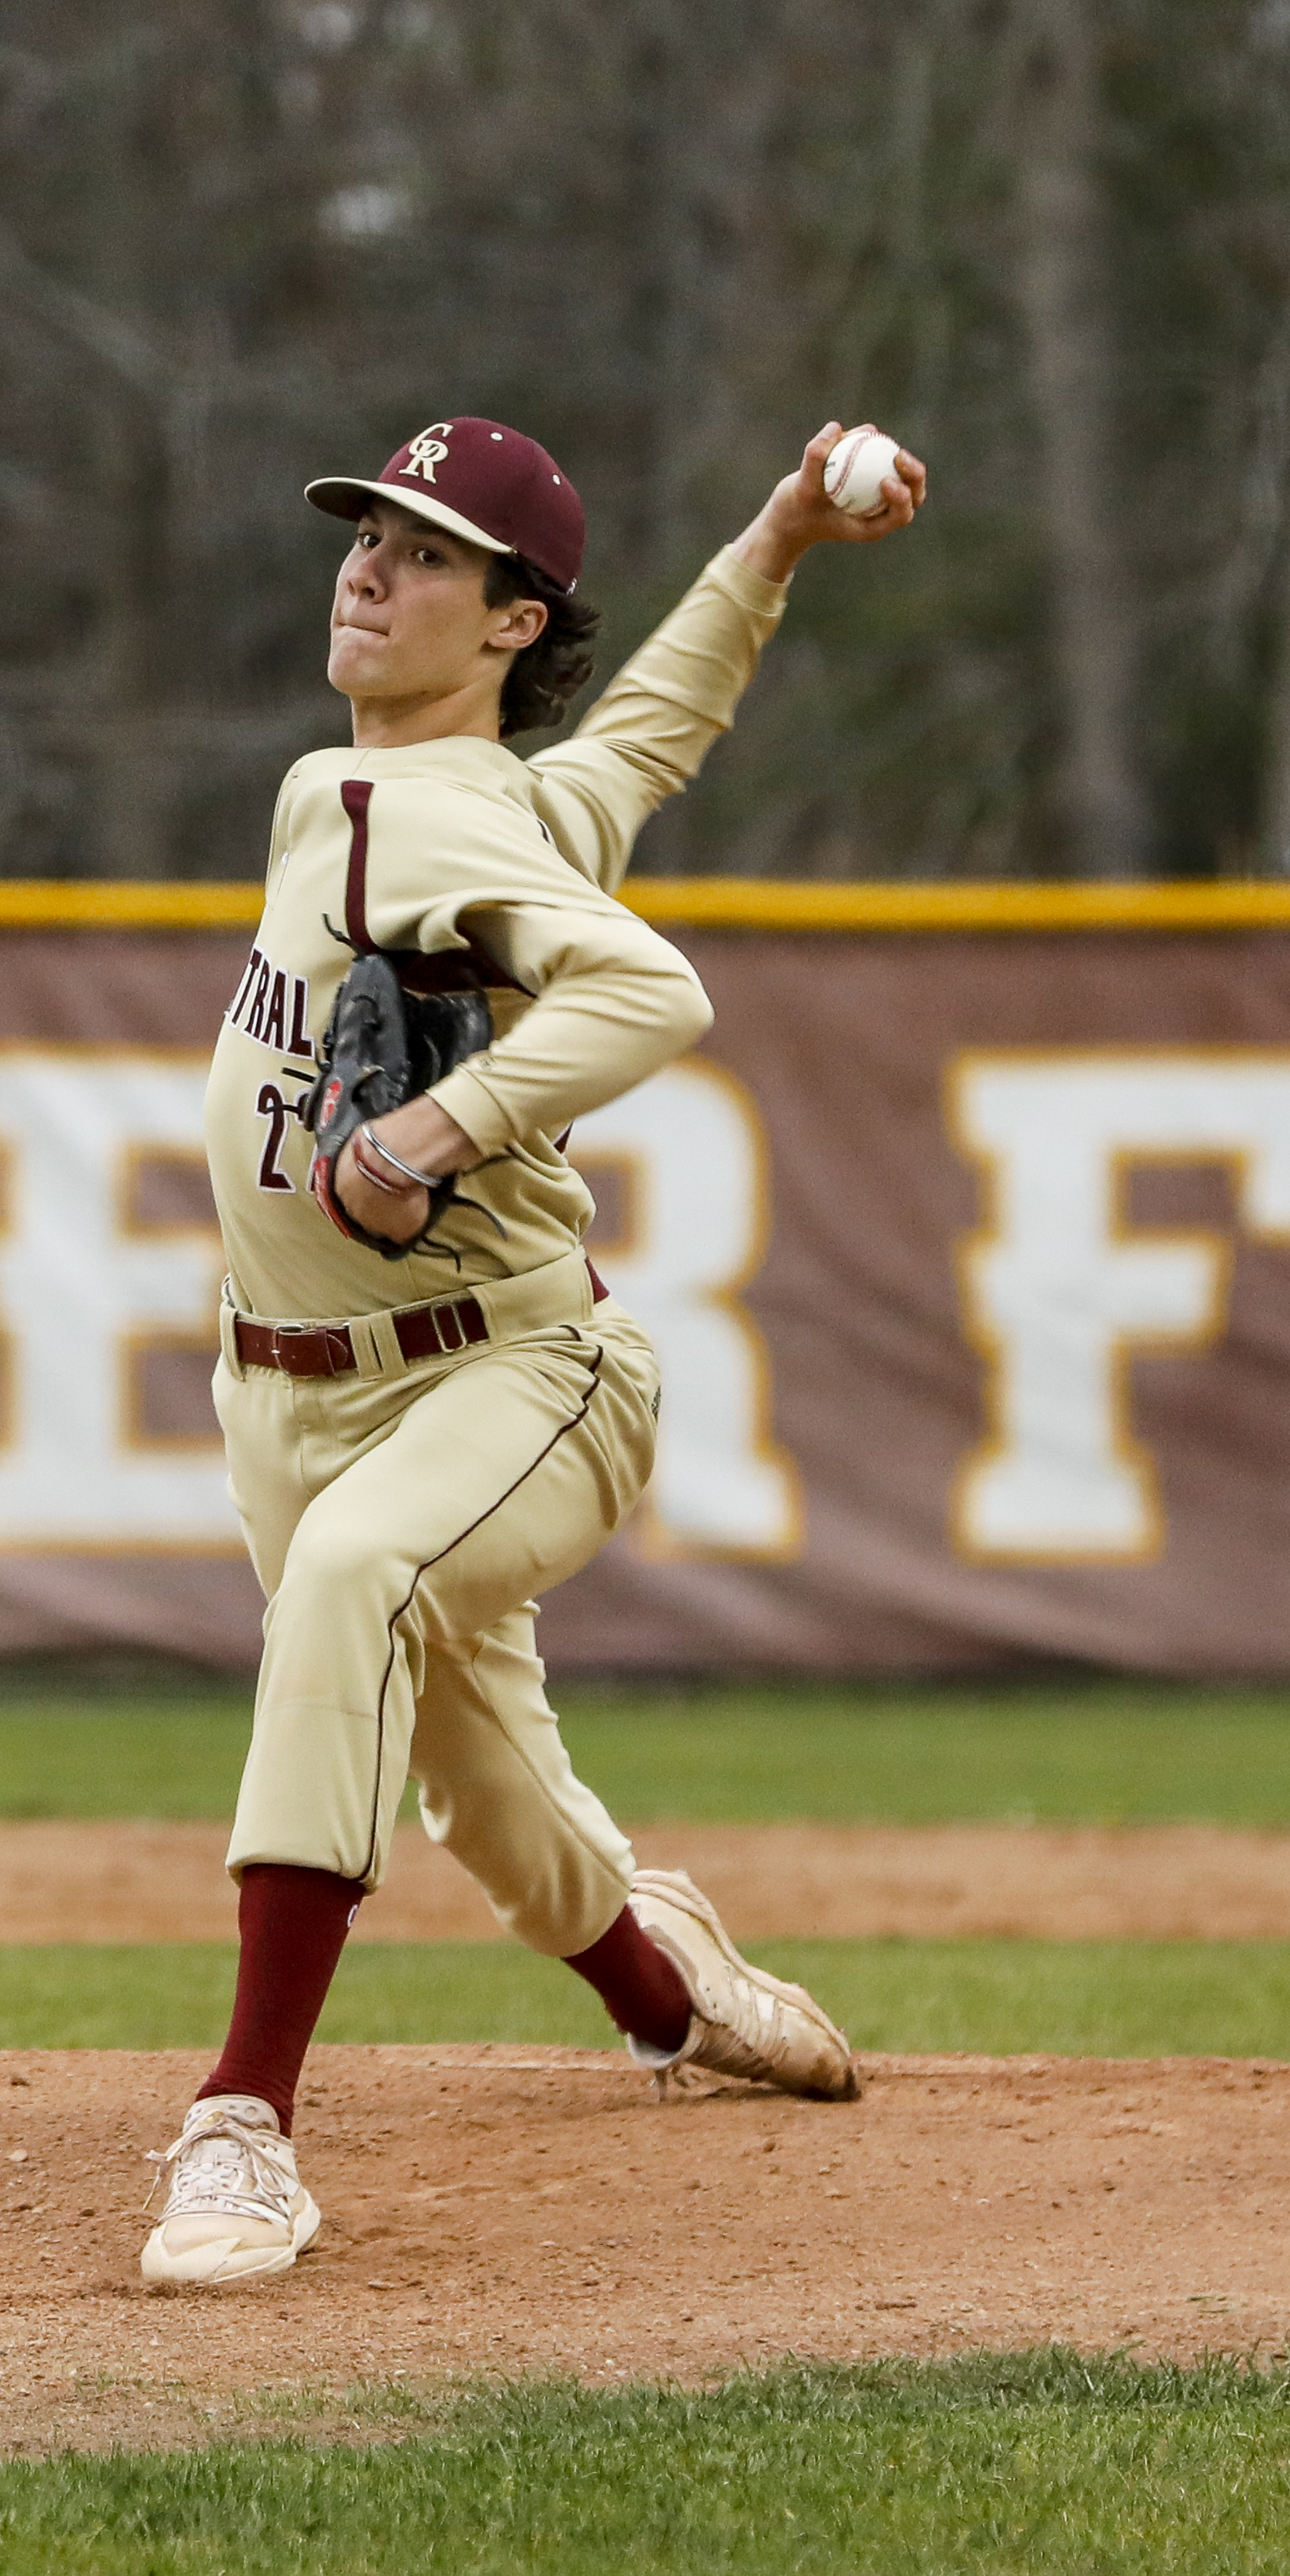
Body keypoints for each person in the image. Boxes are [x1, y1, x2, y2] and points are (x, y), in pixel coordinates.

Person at [142, 412, 931, 2287]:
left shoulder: (424, 815)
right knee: (489, 1792)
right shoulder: (407, 790)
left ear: (510, 620)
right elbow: (652, 733)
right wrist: (773, 543)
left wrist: (432, 1129)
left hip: (508, 1372)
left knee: (355, 1580)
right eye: (368, 534)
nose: (368, 567)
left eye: (424, 554)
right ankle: (671, 1991)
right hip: (287, 1383)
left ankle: (240, 2123)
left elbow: (655, 986)